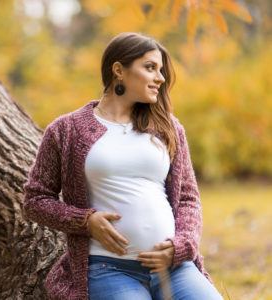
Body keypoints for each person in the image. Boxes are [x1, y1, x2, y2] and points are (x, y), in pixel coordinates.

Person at [22, 32, 223, 300]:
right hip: (108, 268)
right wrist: (85, 221)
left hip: (173, 268)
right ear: (119, 70)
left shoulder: (168, 128)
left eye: (161, 70)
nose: (160, 78)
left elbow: (188, 198)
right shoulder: (66, 130)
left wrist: (181, 246)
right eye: (150, 68)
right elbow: (35, 200)